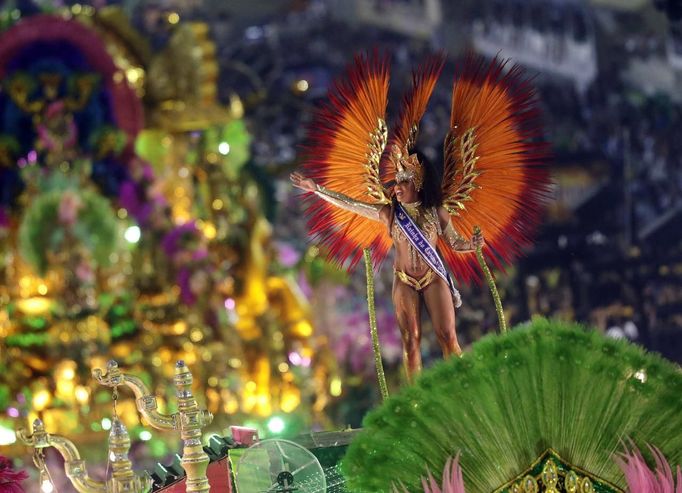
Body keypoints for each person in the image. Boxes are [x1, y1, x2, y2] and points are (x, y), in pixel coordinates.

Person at [291, 144, 483, 379]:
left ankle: (464, 383)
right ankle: (415, 398)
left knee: (447, 335)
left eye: (403, 182)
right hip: (404, 280)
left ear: (417, 183)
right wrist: (317, 189)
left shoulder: (436, 211)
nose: (396, 188)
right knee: (410, 341)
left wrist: (473, 244)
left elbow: (455, 243)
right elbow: (351, 204)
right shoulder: (389, 213)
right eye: (395, 182)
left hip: (433, 277)